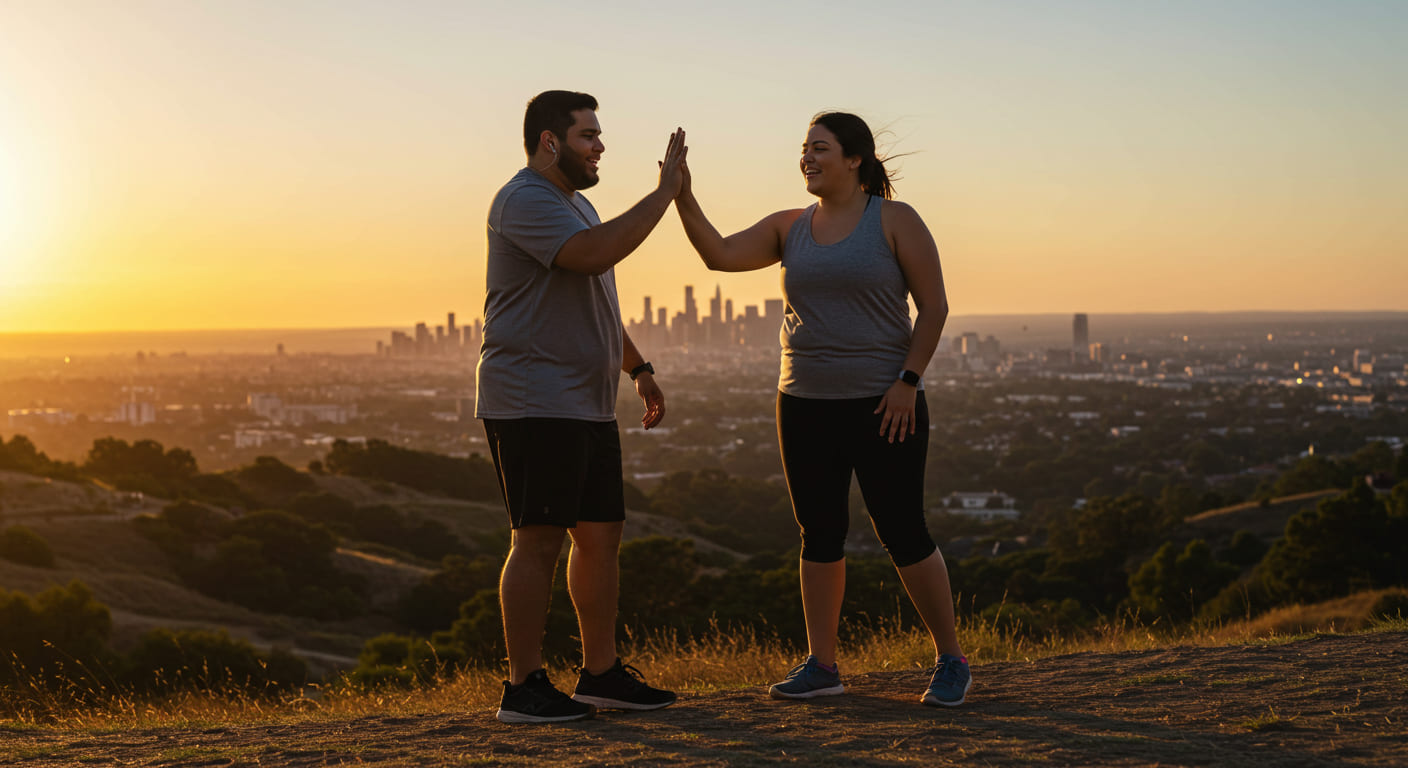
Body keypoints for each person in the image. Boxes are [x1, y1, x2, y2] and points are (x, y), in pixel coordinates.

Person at [674, 111, 970, 706]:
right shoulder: (791, 226)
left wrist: (908, 381)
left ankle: (951, 659)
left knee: (903, 530)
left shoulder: (894, 220)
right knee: (819, 533)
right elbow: (719, 255)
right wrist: (682, 195)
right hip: (803, 402)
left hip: (887, 403)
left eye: (820, 149)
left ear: (854, 158)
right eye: (803, 150)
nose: (807, 158)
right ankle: (823, 665)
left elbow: (934, 308)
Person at [476, 90, 687, 723]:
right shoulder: (524, 200)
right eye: (588, 135)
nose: (600, 147)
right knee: (537, 538)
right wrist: (663, 195)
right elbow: (593, 255)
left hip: (587, 404)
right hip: (534, 400)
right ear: (550, 141)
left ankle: (600, 676)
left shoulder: (577, 203)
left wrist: (638, 368)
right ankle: (524, 687)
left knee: (600, 537)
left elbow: (594, 301)